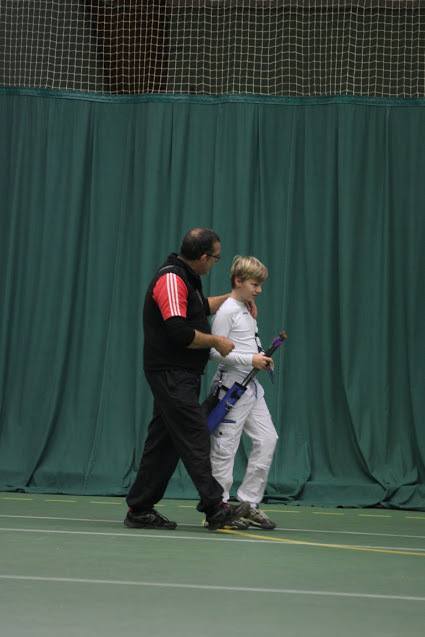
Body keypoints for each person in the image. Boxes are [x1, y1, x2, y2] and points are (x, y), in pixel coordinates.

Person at [124, 228, 250, 531]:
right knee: (195, 432)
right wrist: (216, 341)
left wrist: (236, 298)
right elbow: (178, 332)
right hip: (170, 373)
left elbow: (200, 308)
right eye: (216, 258)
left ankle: (139, 509)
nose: (215, 263)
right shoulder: (171, 278)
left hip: (181, 375)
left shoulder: (186, 279)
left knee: (163, 442)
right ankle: (214, 506)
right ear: (203, 257)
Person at [208, 256, 279, 530]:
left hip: (250, 388)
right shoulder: (226, 311)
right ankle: (219, 509)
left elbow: (246, 343)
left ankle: (248, 504)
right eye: (254, 284)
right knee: (225, 449)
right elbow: (214, 352)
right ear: (238, 281)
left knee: (268, 439)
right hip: (231, 389)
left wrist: (260, 357)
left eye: (260, 285)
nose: (258, 290)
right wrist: (251, 360)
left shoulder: (247, 309)